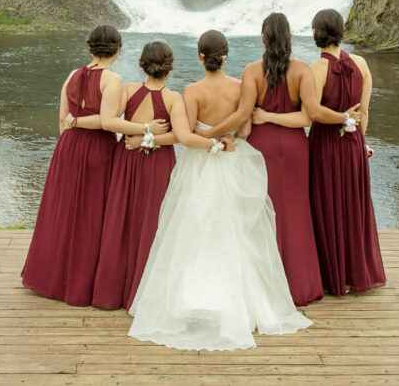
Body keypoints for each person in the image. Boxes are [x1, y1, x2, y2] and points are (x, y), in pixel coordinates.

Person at [127, 30, 312, 351]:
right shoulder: (240, 87)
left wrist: (207, 141)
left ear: (200, 57)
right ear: (226, 57)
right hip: (233, 159)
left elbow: (184, 136)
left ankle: (189, 300)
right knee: (238, 230)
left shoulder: (191, 91)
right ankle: (242, 303)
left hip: (199, 165)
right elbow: (245, 127)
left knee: (193, 229)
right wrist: (224, 139)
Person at [199, 13, 361, 306]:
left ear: (262, 38)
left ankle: (261, 286)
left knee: (259, 212)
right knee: (297, 212)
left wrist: (210, 134)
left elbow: (243, 115)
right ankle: (301, 286)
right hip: (297, 147)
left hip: (262, 147)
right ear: (289, 38)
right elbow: (309, 116)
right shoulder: (302, 71)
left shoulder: (251, 72)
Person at [20, 25, 170, 306]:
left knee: (63, 211)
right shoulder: (111, 80)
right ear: (117, 49)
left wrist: (73, 126)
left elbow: (63, 120)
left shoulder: (71, 75)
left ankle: (51, 277)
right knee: (92, 216)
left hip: (68, 146)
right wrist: (146, 127)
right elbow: (107, 121)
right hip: (96, 148)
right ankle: (81, 284)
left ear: (90, 48)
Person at [92, 41, 215, 310]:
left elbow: (110, 121)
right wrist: (150, 137)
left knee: (120, 222)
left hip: (125, 158)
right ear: (169, 69)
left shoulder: (128, 90)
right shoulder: (174, 99)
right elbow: (181, 137)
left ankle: (110, 293)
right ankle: (144, 294)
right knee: (153, 223)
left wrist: (140, 137)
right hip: (156, 163)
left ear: (142, 64)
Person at [307, 9, 386, 295]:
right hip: (353, 143)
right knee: (354, 206)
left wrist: (340, 118)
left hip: (326, 145)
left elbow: (313, 112)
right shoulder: (362, 64)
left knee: (326, 205)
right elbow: (364, 112)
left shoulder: (316, 70)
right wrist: (359, 141)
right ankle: (355, 273)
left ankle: (333, 276)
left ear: (317, 33)